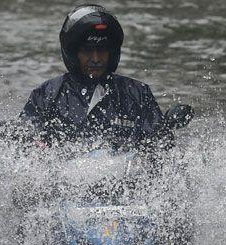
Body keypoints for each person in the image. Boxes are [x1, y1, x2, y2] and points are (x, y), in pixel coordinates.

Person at [16, 4, 173, 153]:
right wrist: (19, 135)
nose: (96, 58)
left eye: (102, 50)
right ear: (73, 52)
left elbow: (162, 148)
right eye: (88, 51)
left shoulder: (137, 93)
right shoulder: (48, 93)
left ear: (112, 53)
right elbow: (24, 139)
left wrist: (162, 132)